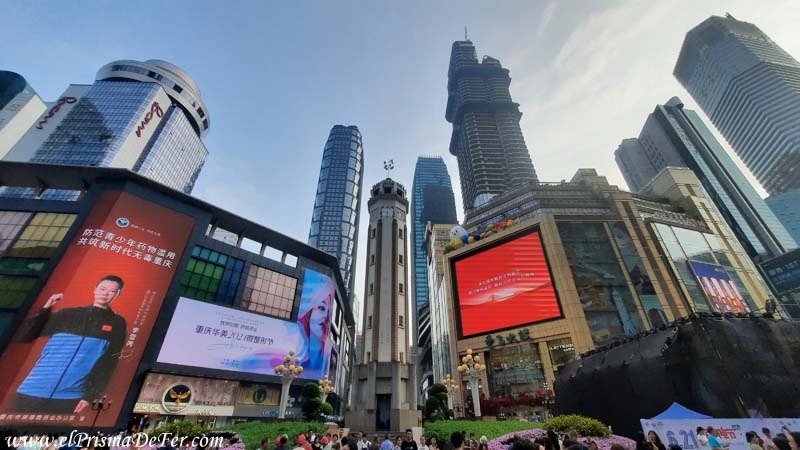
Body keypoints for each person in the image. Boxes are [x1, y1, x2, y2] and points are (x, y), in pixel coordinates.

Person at [10, 276, 128, 414]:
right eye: (102, 289)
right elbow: (27, 335)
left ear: (117, 294)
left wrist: (89, 396)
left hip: (71, 397)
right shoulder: (68, 314)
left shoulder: (117, 323)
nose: (105, 293)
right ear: (95, 289)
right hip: (30, 390)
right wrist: (46, 308)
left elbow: (109, 363)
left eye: (112, 291)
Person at [297, 276, 334, 378]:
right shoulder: (294, 356)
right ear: (309, 312)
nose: (326, 316)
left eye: (328, 312)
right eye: (321, 308)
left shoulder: (327, 359)